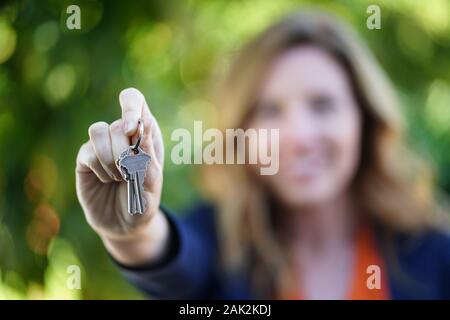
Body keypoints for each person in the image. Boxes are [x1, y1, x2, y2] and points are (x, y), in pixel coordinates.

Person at [75, 10, 450, 299]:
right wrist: (131, 232)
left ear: (364, 119)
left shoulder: (433, 250)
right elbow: (177, 259)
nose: (298, 138)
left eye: (322, 105)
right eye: (269, 111)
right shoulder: (221, 242)